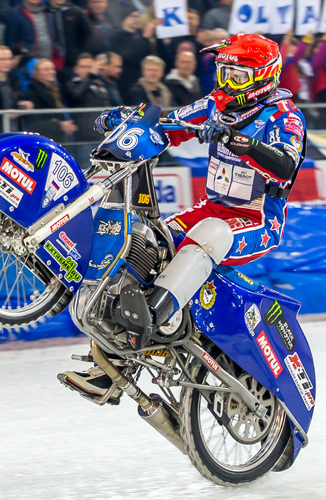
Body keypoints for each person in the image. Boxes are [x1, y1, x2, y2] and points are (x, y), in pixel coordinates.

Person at [59, 34, 307, 402]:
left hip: (256, 219)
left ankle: (160, 317)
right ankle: (110, 369)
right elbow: (169, 124)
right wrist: (125, 118)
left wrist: (240, 141)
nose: (227, 83)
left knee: (210, 234)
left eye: (237, 77)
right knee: (145, 241)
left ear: (264, 76)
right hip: (212, 209)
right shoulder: (217, 103)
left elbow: (286, 165)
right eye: (224, 73)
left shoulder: (284, 117)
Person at [22, 58, 76, 142]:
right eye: (46, 69)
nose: (51, 72)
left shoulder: (56, 89)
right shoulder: (32, 91)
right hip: (42, 137)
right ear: (37, 72)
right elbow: (35, 120)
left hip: (58, 135)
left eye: (52, 69)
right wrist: (60, 125)